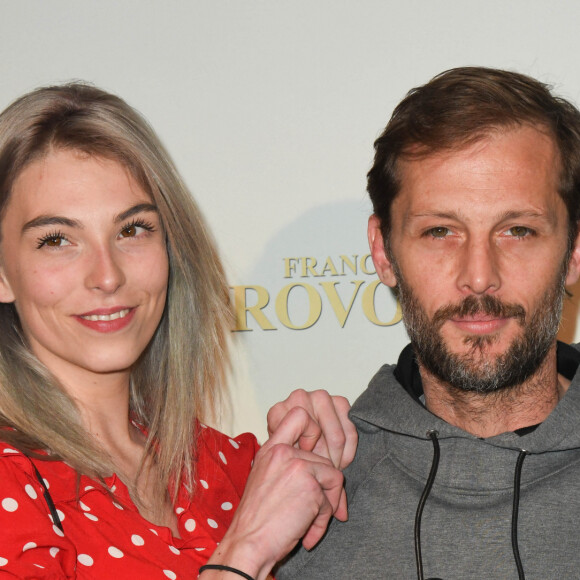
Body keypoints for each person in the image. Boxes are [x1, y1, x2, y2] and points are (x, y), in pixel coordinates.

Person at [0, 83, 357, 579]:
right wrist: (244, 556)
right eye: (57, 240)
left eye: (132, 229)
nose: (107, 276)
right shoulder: (9, 479)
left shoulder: (227, 467)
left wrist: (315, 449)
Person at [276, 67, 580, 580]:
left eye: (518, 231)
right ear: (383, 251)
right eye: (440, 231)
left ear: (573, 251)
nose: (479, 278)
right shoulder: (304, 503)